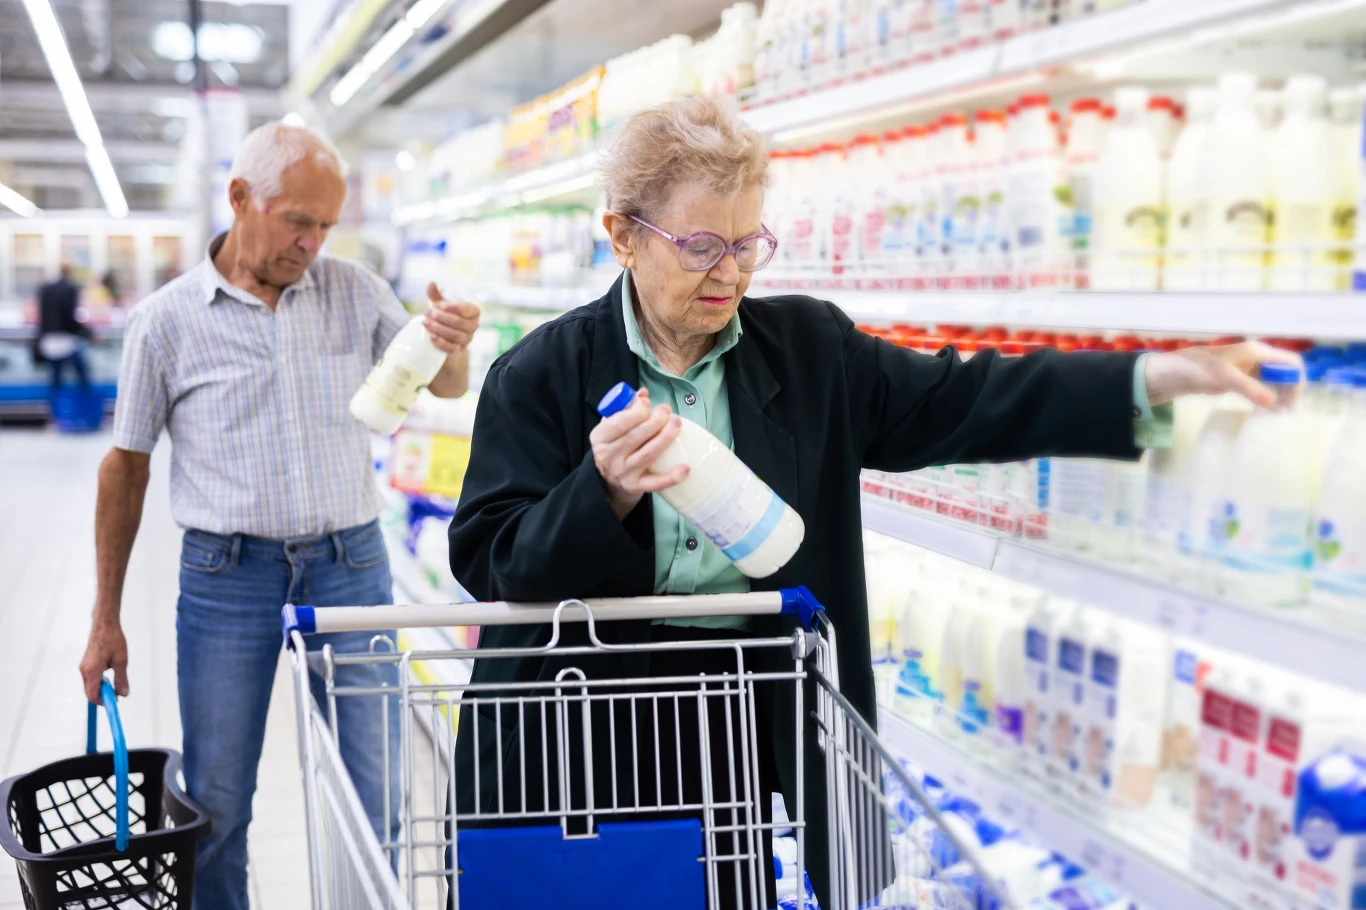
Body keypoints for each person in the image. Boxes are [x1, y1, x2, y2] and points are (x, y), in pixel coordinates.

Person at [445, 96, 1297, 908]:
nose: (730, 271)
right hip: (588, 718)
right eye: (702, 244)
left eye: (750, 244)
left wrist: (1156, 375)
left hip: (748, 711)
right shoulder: (541, 373)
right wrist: (604, 491)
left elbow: (976, 397)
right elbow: (492, 561)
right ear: (623, 236)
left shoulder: (811, 350)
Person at [76, 122, 481, 910]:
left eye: (327, 224)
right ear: (240, 199)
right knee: (219, 804)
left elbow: (444, 386)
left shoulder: (354, 289)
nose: (313, 242)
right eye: (299, 220)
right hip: (226, 577)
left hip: (350, 563)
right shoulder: (165, 321)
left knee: (380, 794)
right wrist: (104, 617)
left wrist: (452, 344)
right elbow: (125, 466)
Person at [35, 263, 93, 392]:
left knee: (56, 378)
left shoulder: (46, 289)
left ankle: (56, 407)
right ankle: (82, 405)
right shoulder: (70, 289)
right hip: (66, 338)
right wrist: (88, 333)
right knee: (82, 376)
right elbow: (69, 316)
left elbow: (42, 316)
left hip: (49, 338)